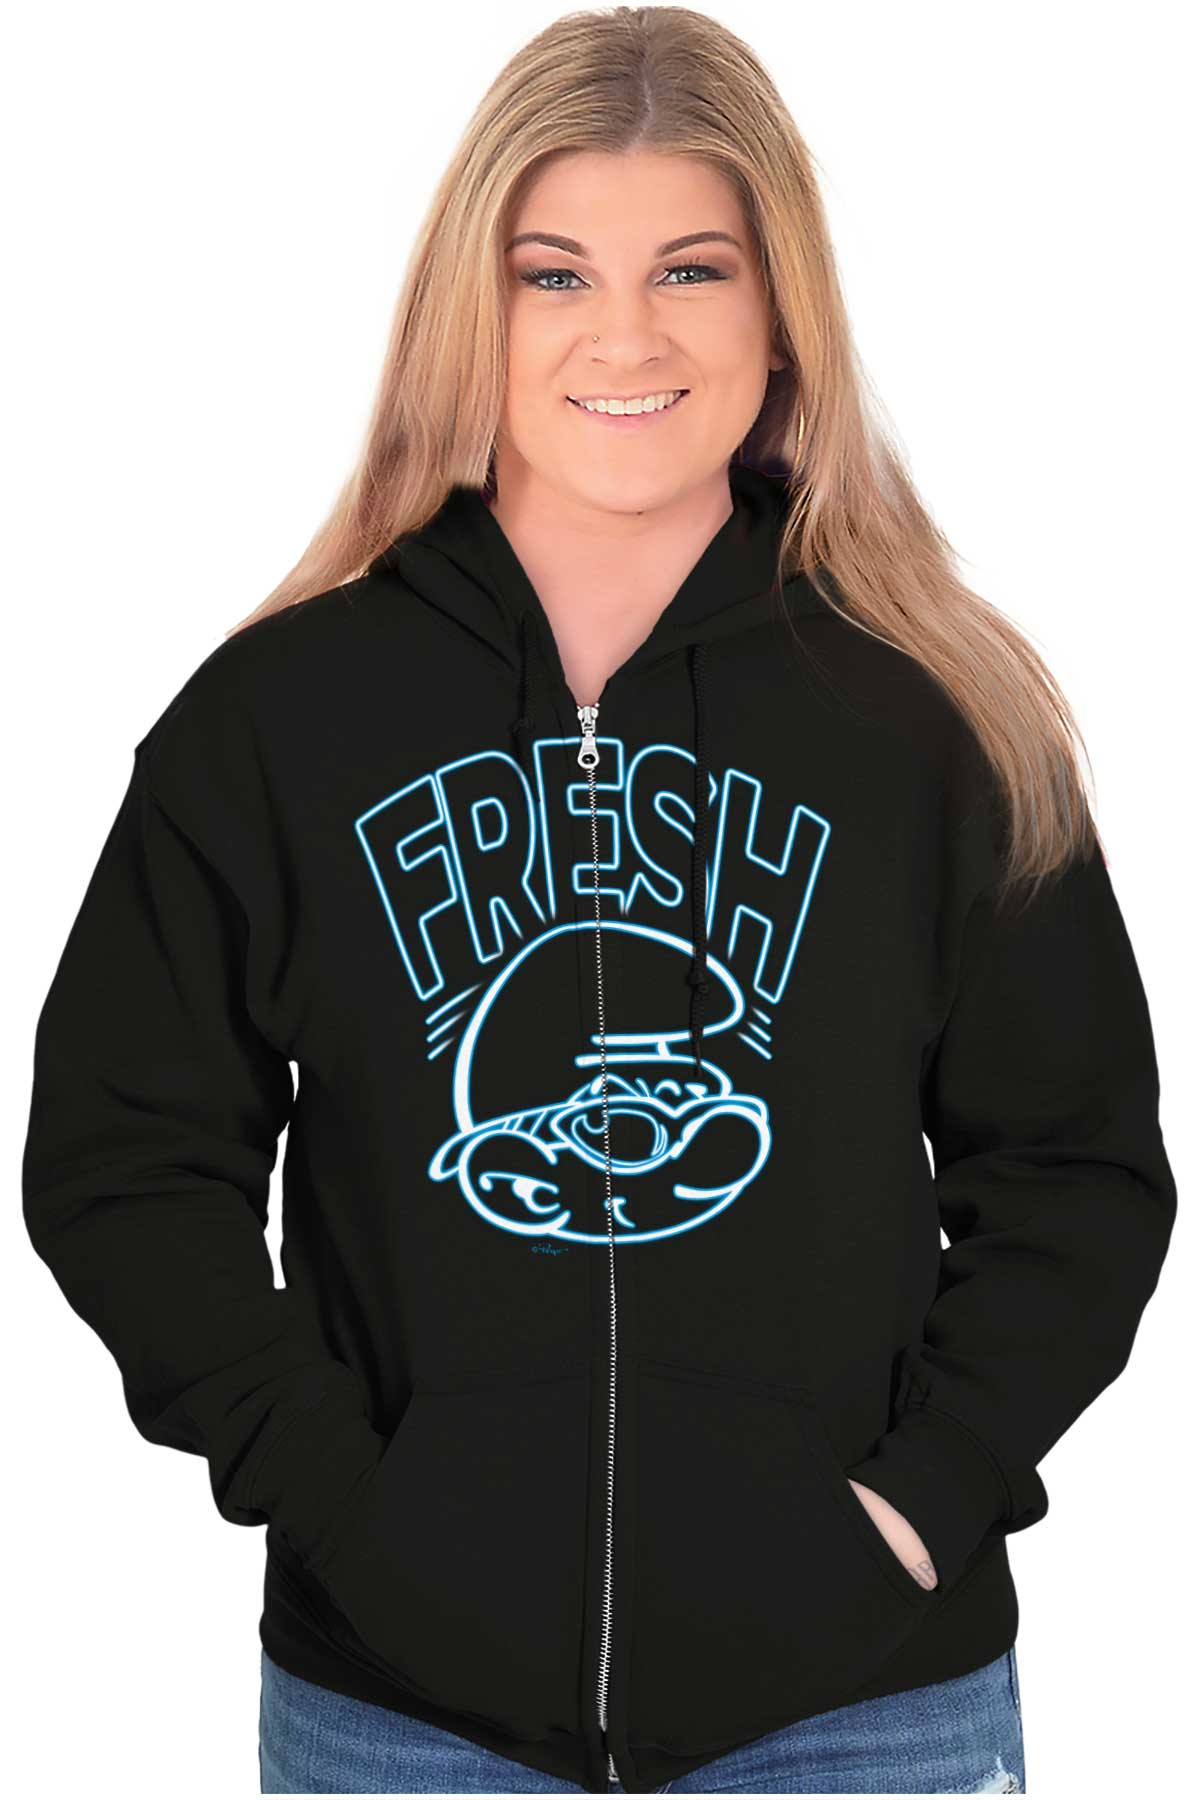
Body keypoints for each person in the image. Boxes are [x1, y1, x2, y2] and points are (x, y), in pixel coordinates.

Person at [21, 7, 1176, 1797]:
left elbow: (1076, 1173)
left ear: (782, 312)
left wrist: (916, 1510)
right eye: (552, 273)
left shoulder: (936, 716)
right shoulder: (277, 718)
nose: (623, 335)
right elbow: (125, 1160)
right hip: (404, 1722)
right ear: (467, 314)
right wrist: (345, 1510)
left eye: (691, 270)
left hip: (864, 1714)